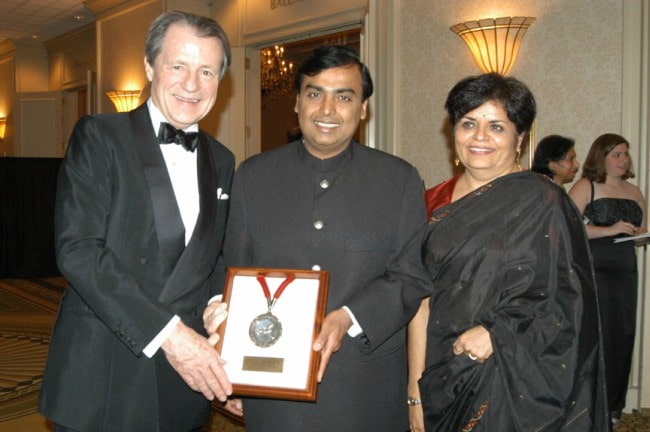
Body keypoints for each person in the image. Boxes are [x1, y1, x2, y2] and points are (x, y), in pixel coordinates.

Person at [38, 11, 235, 431]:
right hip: (104, 372)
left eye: (206, 71)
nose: (192, 84)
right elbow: (78, 251)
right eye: (178, 66)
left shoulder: (223, 159)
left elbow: (207, 255)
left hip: (182, 382)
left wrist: (222, 305)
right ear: (149, 67)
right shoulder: (99, 136)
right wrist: (171, 334)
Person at [220, 45, 430, 431]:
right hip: (273, 386)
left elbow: (411, 275)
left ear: (363, 108)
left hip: (364, 390)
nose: (327, 110)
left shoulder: (398, 180)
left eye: (344, 96)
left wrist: (350, 317)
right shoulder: (253, 177)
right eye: (315, 94)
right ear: (298, 103)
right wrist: (231, 363)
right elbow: (235, 274)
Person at [407, 73, 609, 431]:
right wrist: (415, 390)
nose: (480, 137)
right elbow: (419, 301)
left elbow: (568, 303)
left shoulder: (545, 203)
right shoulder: (431, 202)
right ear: (453, 130)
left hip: (512, 379)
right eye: (469, 123)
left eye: (497, 126)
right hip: (440, 370)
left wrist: (498, 332)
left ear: (520, 138)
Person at [569, 133, 647, 429]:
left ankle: (614, 406)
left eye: (626, 154)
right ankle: (588, 406)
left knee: (622, 335)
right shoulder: (586, 185)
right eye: (616, 154)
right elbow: (569, 227)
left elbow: (640, 231)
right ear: (601, 156)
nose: (623, 160)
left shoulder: (635, 190)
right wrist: (608, 230)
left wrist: (639, 233)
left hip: (625, 269)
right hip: (594, 268)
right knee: (595, 335)